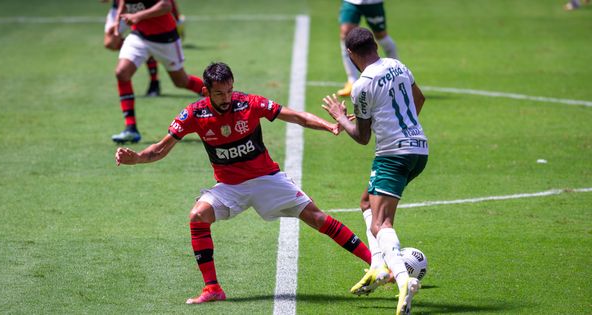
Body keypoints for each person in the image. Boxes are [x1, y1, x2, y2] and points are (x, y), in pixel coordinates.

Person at [115, 62, 373, 304]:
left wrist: (329, 126)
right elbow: (161, 149)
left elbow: (295, 116)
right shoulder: (194, 114)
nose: (226, 98)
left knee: (317, 218)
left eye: (229, 91)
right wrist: (136, 158)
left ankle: (377, 264)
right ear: (205, 92)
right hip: (230, 188)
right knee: (198, 216)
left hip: (266, 179)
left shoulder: (248, 104)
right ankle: (212, 288)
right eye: (219, 94)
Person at [322, 27, 427, 315]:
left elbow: (361, 136)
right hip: (419, 149)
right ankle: (378, 267)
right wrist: (396, 122)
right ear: (376, 46)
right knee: (366, 202)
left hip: (392, 155)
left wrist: (340, 117)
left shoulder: (362, 85)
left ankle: (403, 280)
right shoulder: (397, 65)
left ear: (350, 53)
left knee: (381, 224)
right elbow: (419, 99)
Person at [111, 0, 204, 144]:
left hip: (165, 38)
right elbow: (122, 3)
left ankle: (219, 95)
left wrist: (138, 16)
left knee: (181, 81)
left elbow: (166, 5)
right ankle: (130, 129)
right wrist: (117, 22)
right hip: (139, 35)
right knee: (122, 73)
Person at [337, 0, 398, 97]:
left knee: (381, 36)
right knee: (346, 33)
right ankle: (352, 81)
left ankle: (397, 73)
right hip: (351, 2)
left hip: (372, 2)